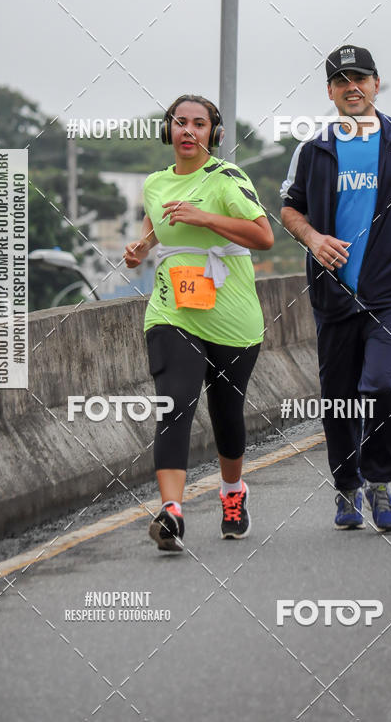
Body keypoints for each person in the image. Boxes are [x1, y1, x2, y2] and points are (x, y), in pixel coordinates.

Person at [280, 45, 391, 533]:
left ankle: (380, 481)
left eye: (361, 78)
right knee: (340, 398)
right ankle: (346, 489)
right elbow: (289, 209)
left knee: (385, 383)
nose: (352, 86)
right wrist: (312, 237)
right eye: (342, 80)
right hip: (334, 294)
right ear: (330, 91)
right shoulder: (312, 148)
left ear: (376, 84)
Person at [124, 94, 274, 551]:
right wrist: (142, 247)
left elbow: (264, 236)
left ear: (215, 133)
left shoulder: (227, 178)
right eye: (180, 123)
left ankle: (232, 493)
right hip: (173, 311)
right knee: (175, 403)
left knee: (227, 413)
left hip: (232, 316)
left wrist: (204, 216)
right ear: (167, 130)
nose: (188, 131)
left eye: (199, 124)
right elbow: (159, 220)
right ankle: (171, 511)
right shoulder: (155, 183)